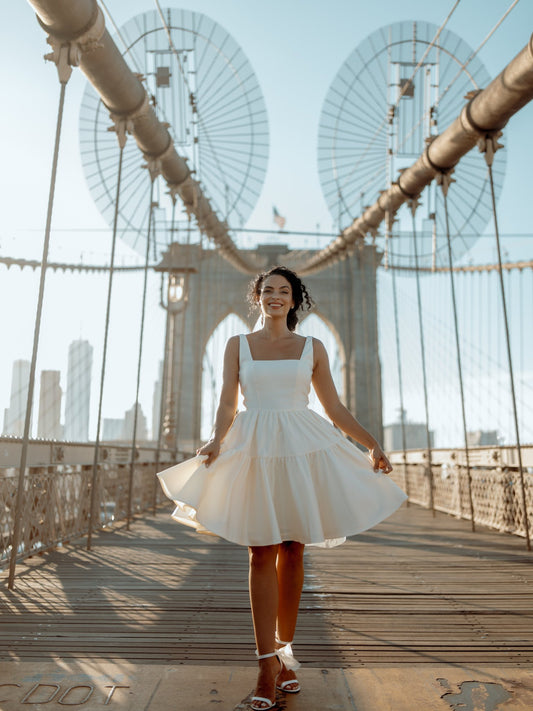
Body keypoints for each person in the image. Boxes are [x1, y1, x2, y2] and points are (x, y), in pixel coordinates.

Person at [157, 265, 407, 710]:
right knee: (260, 549)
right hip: (254, 447)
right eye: (268, 290)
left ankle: (286, 651)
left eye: (283, 291)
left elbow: (333, 407)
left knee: (294, 548)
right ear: (258, 298)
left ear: (294, 300)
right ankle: (266, 664)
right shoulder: (237, 345)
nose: (275, 296)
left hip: (302, 446)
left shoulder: (313, 347)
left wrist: (372, 443)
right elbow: (227, 403)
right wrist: (216, 439)